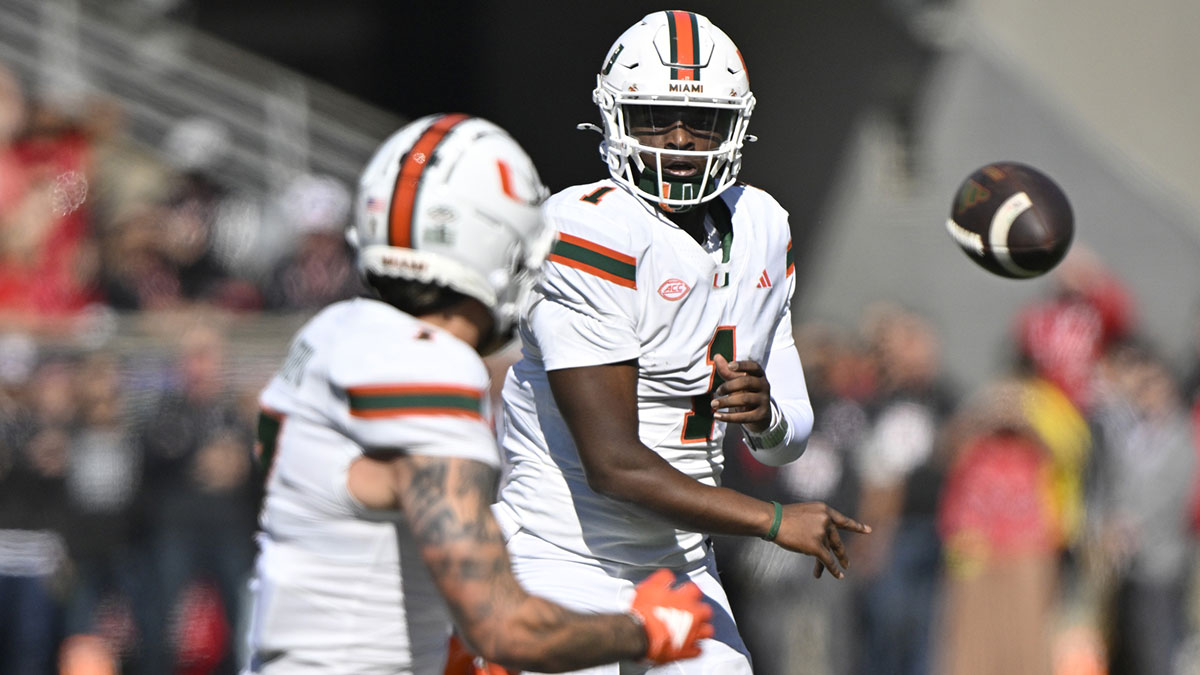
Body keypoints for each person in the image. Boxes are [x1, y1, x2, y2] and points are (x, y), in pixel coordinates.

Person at [245, 113, 713, 674]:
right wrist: (647, 629)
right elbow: (509, 630)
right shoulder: (427, 367)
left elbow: (362, 519)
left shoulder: (331, 332)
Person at [493, 12, 870, 674]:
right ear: (614, 117)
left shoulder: (761, 225)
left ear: (736, 127)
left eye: (700, 122)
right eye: (655, 116)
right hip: (559, 557)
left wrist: (766, 414)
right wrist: (774, 521)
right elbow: (614, 463)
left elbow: (789, 437)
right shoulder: (588, 231)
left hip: (677, 560)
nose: (677, 139)